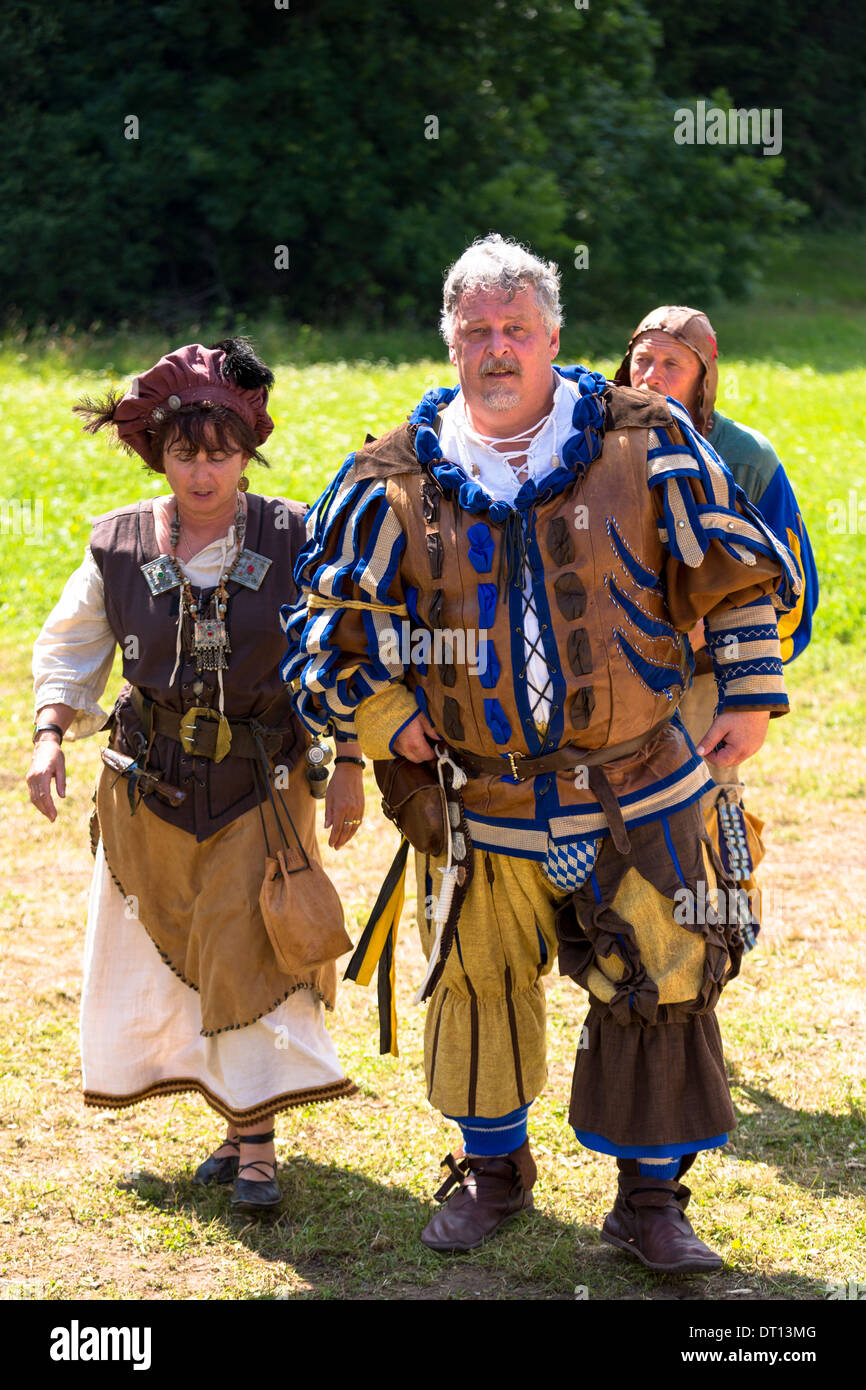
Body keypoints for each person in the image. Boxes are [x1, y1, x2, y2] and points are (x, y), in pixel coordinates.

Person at [286, 234, 802, 1272]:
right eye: (474, 329)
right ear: (448, 341)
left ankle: (649, 1202)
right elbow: (327, 627)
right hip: (480, 805)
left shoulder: (643, 440)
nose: (494, 348)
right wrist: (387, 720)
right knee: (476, 983)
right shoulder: (390, 476)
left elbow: (736, 576)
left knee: (663, 976)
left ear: (552, 337)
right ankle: (493, 1174)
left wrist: (745, 692)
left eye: (514, 328)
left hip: (641, 792)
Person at [27, 338, 363, 1213]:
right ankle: (231, 1118)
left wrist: (355, 763)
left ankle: (256, 1148)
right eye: (185, 452)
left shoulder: (297, 535)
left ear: (247, 451)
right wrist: (49, 734)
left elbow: (345, 652)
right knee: (178, 954)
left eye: (220, 453)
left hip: (261, 786)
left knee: (246, 947)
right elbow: (72, 647)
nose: (203, 471)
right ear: (159, 453)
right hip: (150, 788)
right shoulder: (121, 544)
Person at [614, 308, 819, 924]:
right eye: (643, 360)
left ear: (705, 374)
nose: (651, 377)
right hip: (613, 675)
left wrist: (723, 634)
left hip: (706, 676)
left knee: (703, 815)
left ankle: (712, 944)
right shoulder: (596, 442)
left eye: (672, 364)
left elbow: (790, 585)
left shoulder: (744, 456)